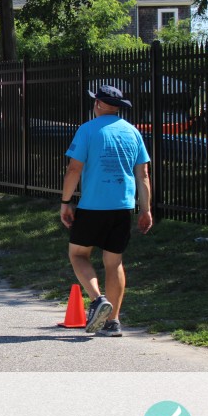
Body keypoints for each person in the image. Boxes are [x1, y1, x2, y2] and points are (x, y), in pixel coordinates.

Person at [61, 84, 152, 337]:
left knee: (78, 255)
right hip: (122, 207)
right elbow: (143, 174)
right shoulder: (133, 132)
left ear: (98, 104)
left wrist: (65, 201)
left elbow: (74, 169)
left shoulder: (87, 130)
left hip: (93, 206)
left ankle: (98, 299)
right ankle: (113, 322)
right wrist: (145, 209)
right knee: (114, 262)